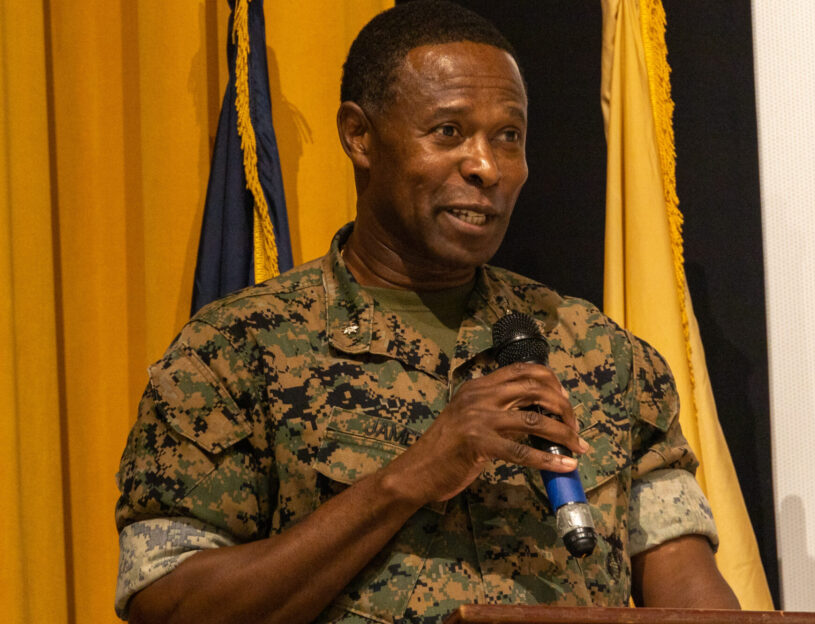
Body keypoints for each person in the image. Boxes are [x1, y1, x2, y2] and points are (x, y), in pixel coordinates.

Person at [115, 2, 739, 622]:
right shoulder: (236, 351)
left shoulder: (602, 355)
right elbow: (170, 606)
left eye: (509, 137)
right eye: (448, 132)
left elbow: (689, 594)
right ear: (359, 136)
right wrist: (409, 477)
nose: (486, 167)